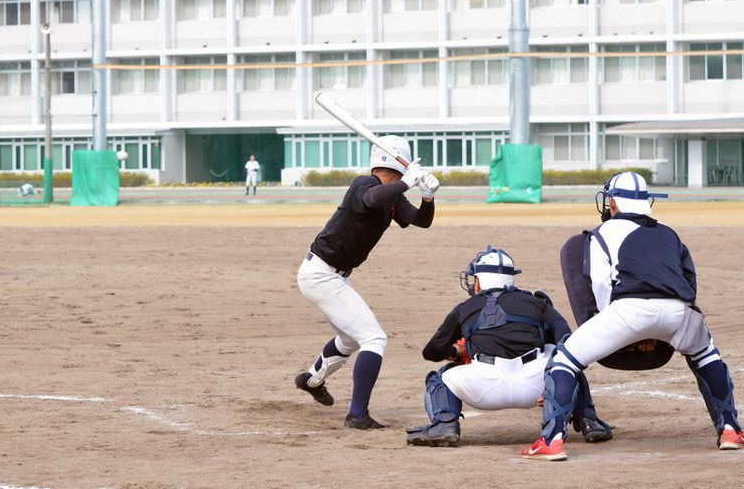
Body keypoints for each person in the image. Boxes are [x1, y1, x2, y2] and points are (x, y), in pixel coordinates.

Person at [524, 171, 743, 461]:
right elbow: (689, 283)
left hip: (629, 310)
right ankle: (730, 429)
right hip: (680, 309)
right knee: (706, 355)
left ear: (612, 202)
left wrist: (621, 332)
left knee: (565, 359)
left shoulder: (602, 233)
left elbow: (601, 286)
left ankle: (551, 441)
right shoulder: (668, 233)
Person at [294, 135, 440, 429]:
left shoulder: (393, 197)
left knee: (350, 339)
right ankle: (357, 415)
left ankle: (311, 380)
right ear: (400, 163)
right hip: (321, 273)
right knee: (374, 338)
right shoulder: (365, 185)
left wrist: (427, 197)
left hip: (330, 275)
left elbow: (420, 221)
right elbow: (371, 200)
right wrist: (408, 182)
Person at [407, 246, 611, 450]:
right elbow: (565, 337)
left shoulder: (464, 308)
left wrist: (455, 353)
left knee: (440, 377)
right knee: (567, 365)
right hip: (536, 385)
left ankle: (444, 425)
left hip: (482, 388)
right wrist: (555, 383)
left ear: (479, 281)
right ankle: (589, 422)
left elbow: (431, 352)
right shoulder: (537, 302)